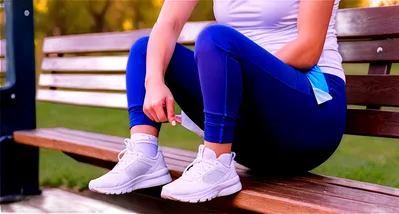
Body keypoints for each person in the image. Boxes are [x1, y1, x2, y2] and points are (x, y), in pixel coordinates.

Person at [88, 0, 347, 203]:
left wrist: (240, 78)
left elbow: (308, 48)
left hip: (312, 113)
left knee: (215, 39)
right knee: (147, 50)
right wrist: (154, 81)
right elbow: (168, 23)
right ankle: (144, 155)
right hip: (255, 131)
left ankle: (217, 163)